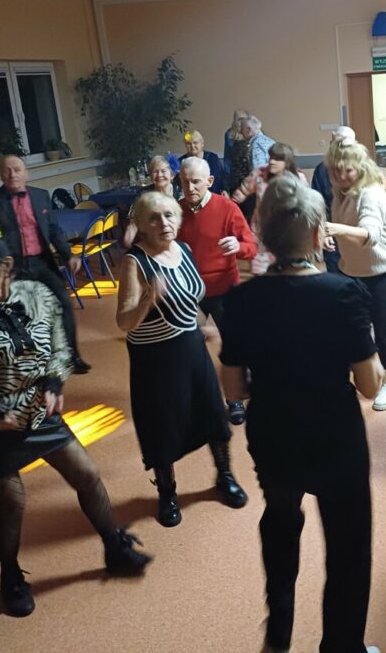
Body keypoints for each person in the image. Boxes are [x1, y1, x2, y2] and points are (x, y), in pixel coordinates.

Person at [0, 233, 150, 617]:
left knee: (87, 475)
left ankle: (114, 547)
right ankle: (11, 577)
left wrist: (54, 382)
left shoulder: (37, 294)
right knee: (12, 504)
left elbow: (60, 345)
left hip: (38, 412)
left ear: (6, 266)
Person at [220, 176, 384, 653]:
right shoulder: (344, 293)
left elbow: (234, 388)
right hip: (335, 436)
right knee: (349, 546)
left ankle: (279, 636)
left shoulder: (242, 300)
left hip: (273, 433)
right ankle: (342, 647)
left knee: (280, 518)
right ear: (316, 234)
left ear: (265, 235)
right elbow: (370, 385)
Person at [116, 192, 248, 527]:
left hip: (190, 347)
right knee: (162, 425)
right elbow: (124, 322)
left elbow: (192, 299)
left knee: (213, 414)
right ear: (142, 226)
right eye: (154, 218)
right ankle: (167, 493)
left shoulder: (184, 250)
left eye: (169, 215)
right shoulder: (135, 262)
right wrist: (147, 299)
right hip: (154, 359)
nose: (164, 223)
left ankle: (225, 476)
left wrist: (200, 327)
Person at [0, 154, 90, 373]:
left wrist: (68, 256)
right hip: (12, 268)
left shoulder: (40, 196)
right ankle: (35, 364)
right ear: (0, 174)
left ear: (26, 173)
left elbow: (53, 230)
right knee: (22, 315)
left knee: (64, 304)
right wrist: (1, 269)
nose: (12, 175)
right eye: (6, 170)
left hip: (43, 262)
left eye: (17, 170)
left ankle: (72, 356)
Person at [177, 156, 257, 424]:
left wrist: (238, 246)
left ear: (209, 181)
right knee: (188, 345)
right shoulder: (176, 210)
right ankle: (200, 398)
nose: (190, 188)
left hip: (224, 287)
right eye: (185, 182)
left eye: (196, 182)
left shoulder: (227, 208)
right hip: (190, 291)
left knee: (233, 344)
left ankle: (235, 399)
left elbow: (251, 247)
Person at [325, 143, 386, 412]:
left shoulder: (370, 192)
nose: (342, 176)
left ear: (360, 167)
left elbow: (370, 236)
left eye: (348, 170)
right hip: (351, 269)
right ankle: (366, 372)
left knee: (381, 328)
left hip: (379, 270)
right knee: (355, 326)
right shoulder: (340, 193)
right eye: (336, 170)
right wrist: (332, 237)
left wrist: (336, 229)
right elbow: (346, 231)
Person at [232, 142, 307, 275]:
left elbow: (306, 205)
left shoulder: (298, 178)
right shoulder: (259, 174)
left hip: (287, 234)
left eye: (277, 159)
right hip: (261, 234)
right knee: (260, 274)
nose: (272, 161)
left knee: (286, 273)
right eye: (271, 157)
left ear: (287, 161)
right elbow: (240, 195)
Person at [311, 126, 357, 275]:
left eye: (345, 144)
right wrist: (323, 232)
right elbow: (318, 205)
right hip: (333, 232)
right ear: (331, 144)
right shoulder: (321, 170)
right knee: (336, 277)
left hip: (359, 233)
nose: (340, 149)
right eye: (337, 144)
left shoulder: (364, 169)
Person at [231, 116, 275, 221]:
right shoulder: (269, 140)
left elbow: (258, 171)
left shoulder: (256, 145)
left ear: (248, 130)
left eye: (242, 129)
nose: (240, 132)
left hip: (263, 193)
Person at [222, 108, 250, 185]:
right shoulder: (229, 134)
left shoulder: (253, 132)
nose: (242, 122)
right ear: (234, 121)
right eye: (239, 119)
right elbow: (227, 158)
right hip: (234, 174)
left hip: (249, 173)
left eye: (244, 119)